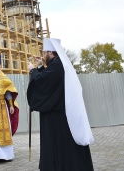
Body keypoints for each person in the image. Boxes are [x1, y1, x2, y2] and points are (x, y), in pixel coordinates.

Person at [27, 38, 94, 171]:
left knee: (60, 145)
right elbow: (48, 81)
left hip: (57, 116)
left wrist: (32, 70)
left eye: (45, 52)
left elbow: (43, 82)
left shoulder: (57, 65)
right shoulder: (57, 64)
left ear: (51, 53)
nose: (43, 55)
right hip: (58, 113)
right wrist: (40, 66)